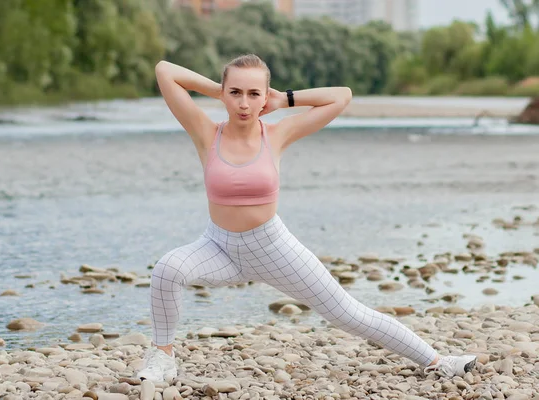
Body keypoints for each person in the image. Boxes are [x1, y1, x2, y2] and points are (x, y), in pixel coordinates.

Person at [136, 54, 477, 382]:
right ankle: (162, 357)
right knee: (168, 269)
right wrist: (219, 89)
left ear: (264, 97)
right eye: (235, 93)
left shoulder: (277, 134)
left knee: (346, 313)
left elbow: (341, 97)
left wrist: (283, 100)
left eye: (253, 94)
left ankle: (437, 361)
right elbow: (165, 70)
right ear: (225, 93)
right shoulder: (206, 133)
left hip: (272, 247)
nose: (243, 103)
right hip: (219, 247)